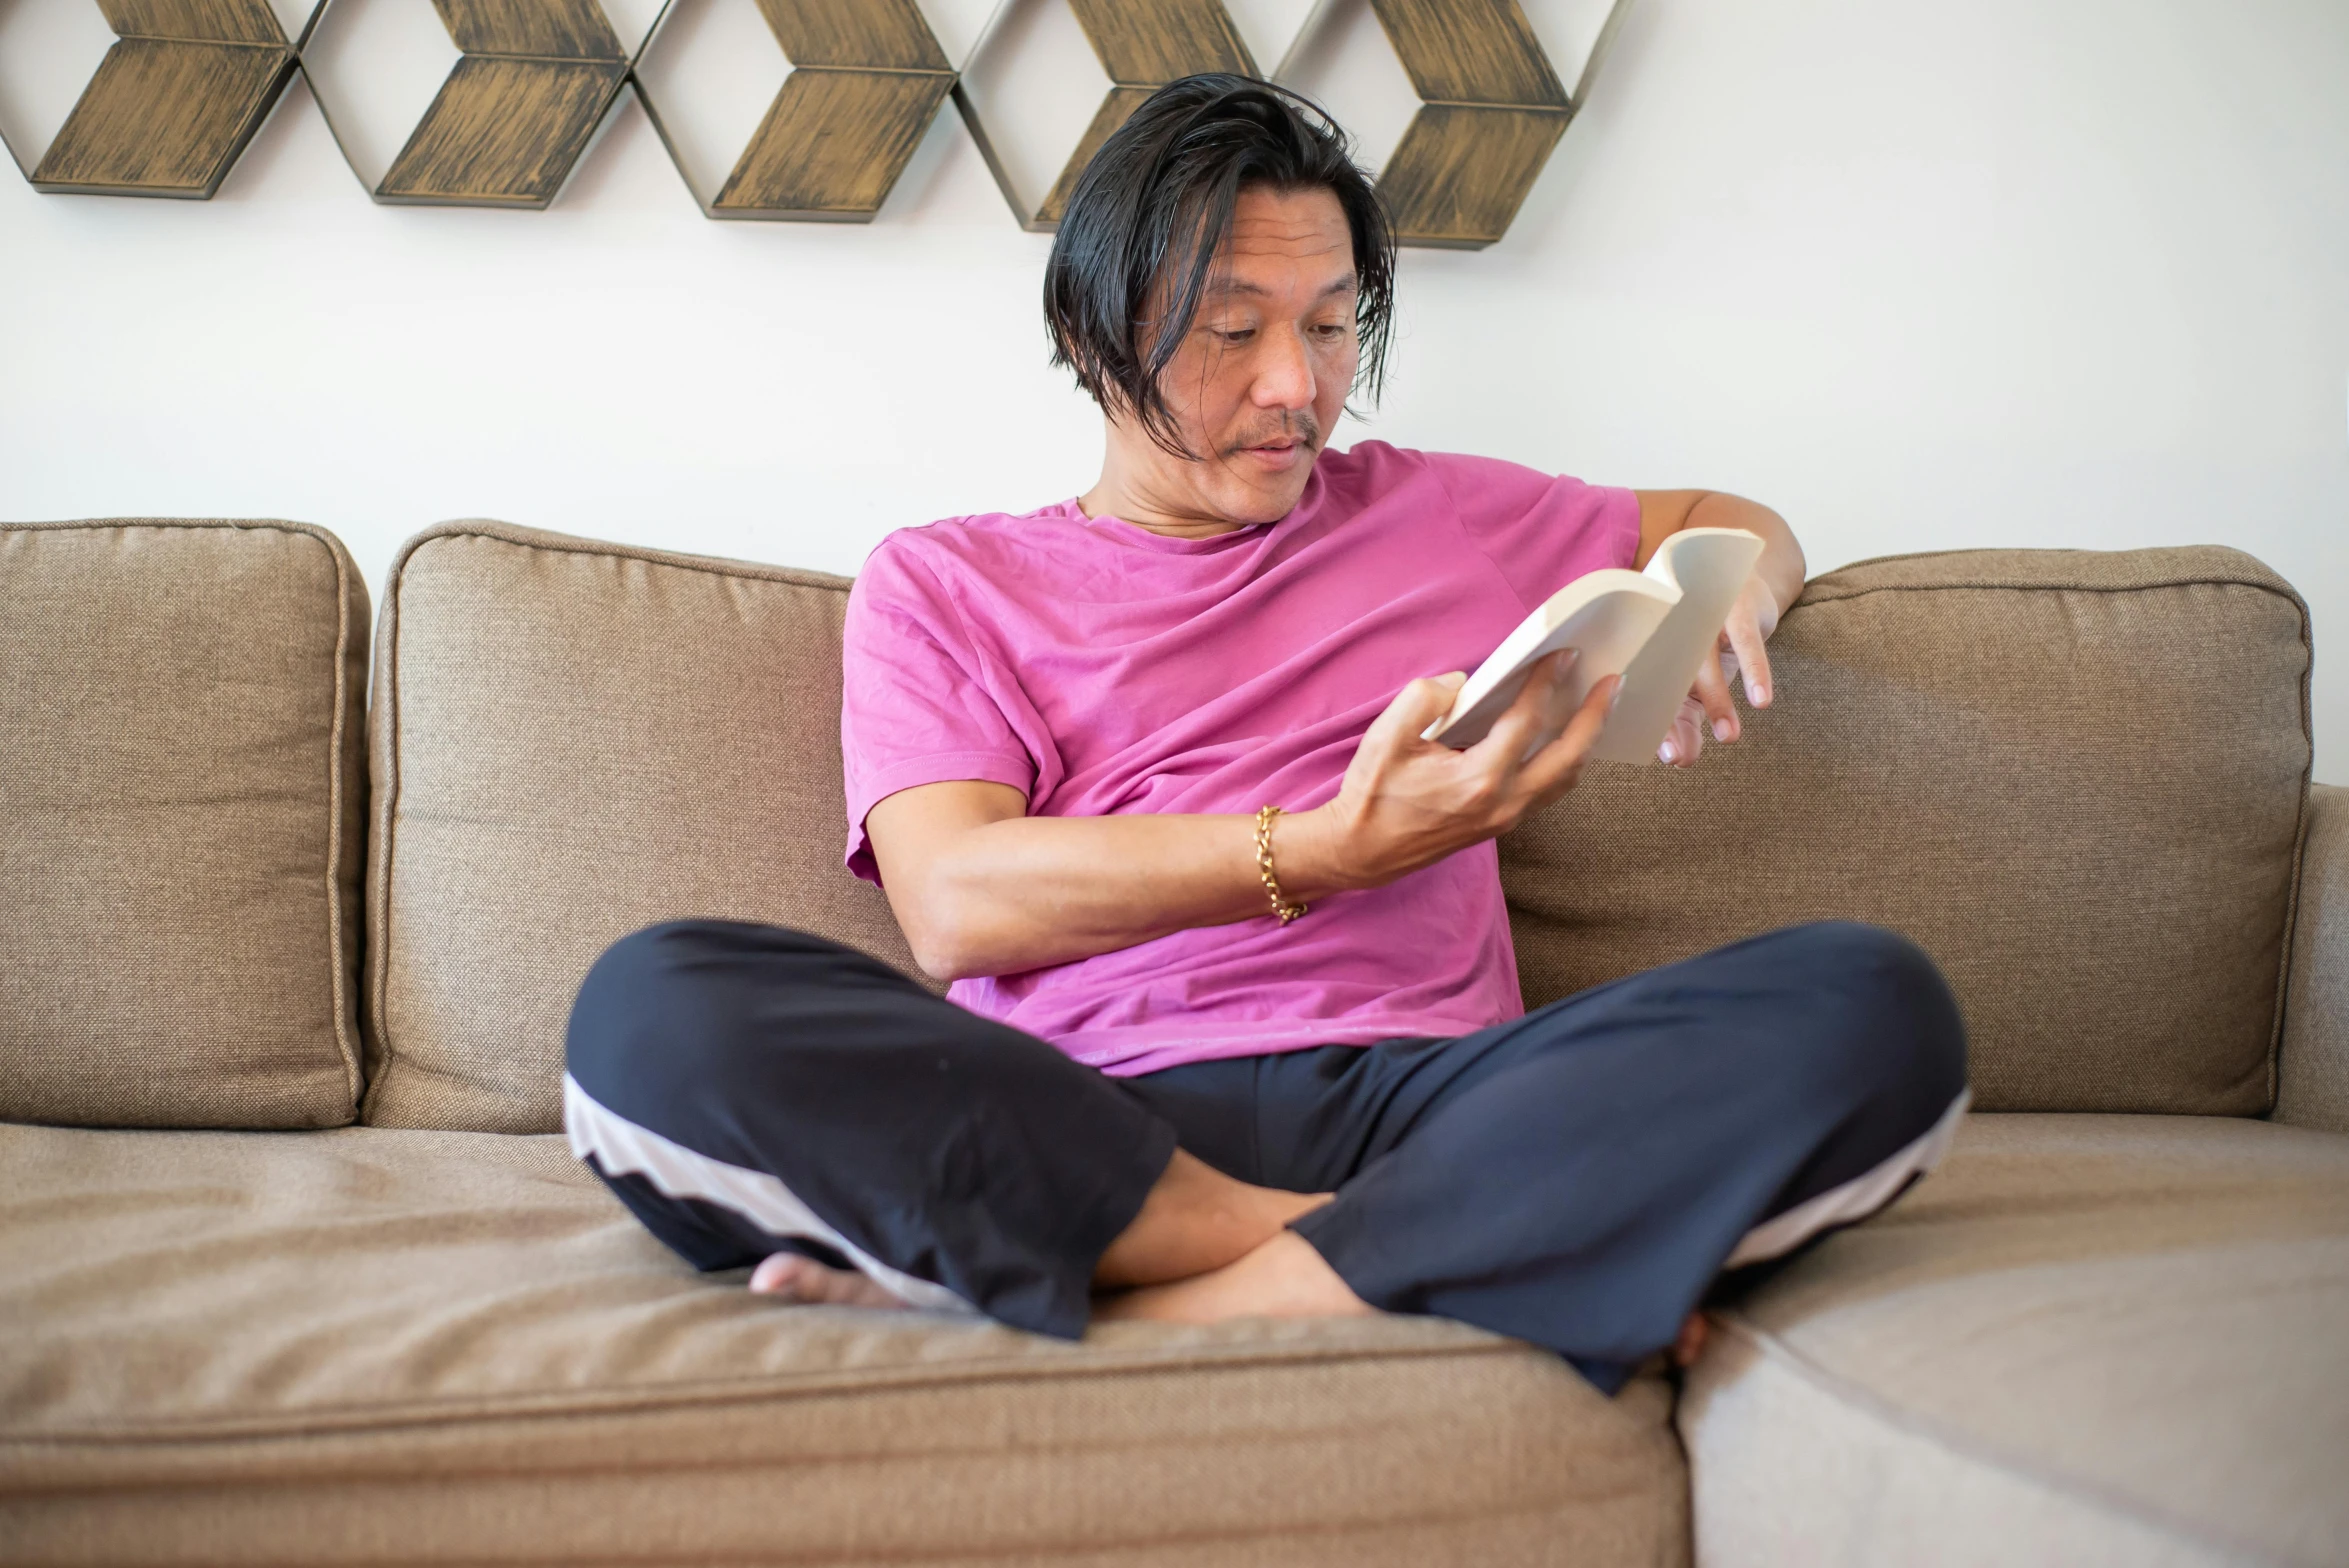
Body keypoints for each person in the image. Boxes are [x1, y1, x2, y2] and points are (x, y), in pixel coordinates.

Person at [563, 75, 1968, 1392]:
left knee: (1872, 1005)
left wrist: (1731, 598)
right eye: (1234, 332)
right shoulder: (946, 581)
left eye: (1334, 324)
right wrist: (1333, 849)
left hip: (1438, 1099)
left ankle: (1175, 1300)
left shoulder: (1435, 512)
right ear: (1087, 336)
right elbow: (955, 905)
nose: (1298, 385)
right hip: (1082, 1114)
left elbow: (1728, 517)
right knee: (650, 1012)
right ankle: (1410, 1246)